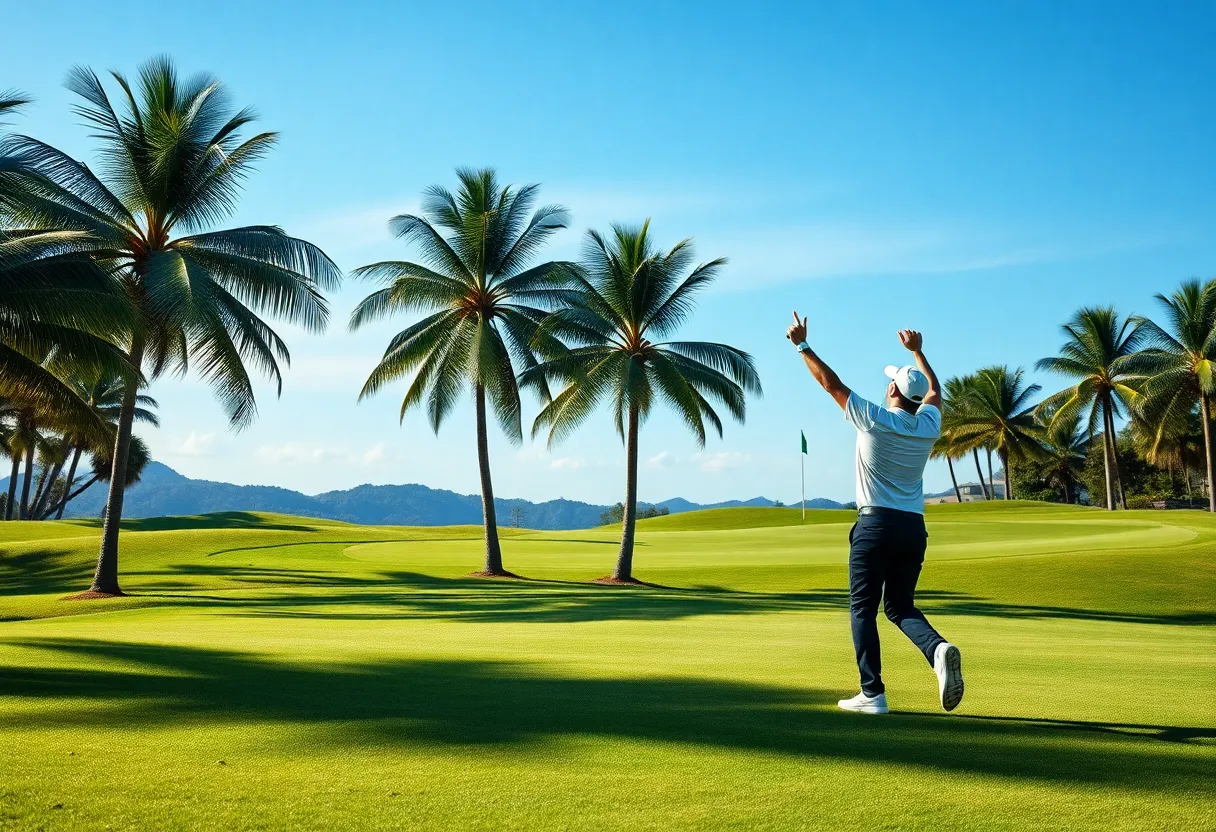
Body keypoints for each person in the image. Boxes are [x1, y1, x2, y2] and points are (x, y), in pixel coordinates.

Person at [786, 312, 963, 714]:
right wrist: (920, 353)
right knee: (900, 607)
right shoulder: (928, 425)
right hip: (913, 529)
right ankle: (938, 650)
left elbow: (830, 383)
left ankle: (873, 694)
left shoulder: (873, 418)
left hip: (875, 526)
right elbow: (934, 389)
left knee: (863, 609)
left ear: (892, 391)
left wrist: (802, 345)